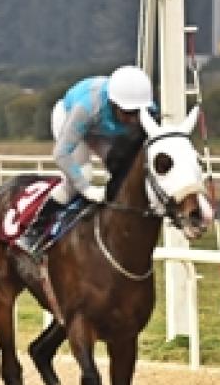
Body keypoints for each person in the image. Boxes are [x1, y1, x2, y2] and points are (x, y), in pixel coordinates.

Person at [14, 65, 155, 257]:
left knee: (123, 168)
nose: (132, 119)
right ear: (113, 103)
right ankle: (34, 232)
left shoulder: (146, 108)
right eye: (127, 113)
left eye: (137, 113)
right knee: (81, 176)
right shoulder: (87, 108)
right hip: (69, 118)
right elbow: (60, 153)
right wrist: (86, 188)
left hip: (101, 129)